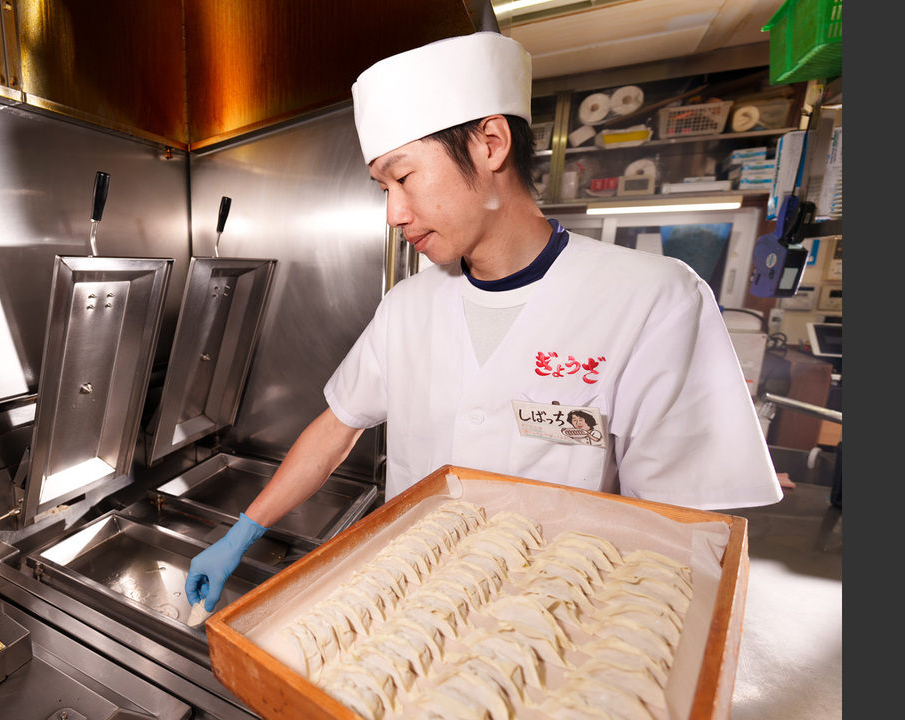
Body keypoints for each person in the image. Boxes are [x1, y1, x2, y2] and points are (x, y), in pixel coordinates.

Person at [184, 31, 783, 614]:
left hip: (552, 627)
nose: (393, 212)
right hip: (409, 604)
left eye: (404, 176)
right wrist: (244, 532)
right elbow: (338, 426)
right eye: (382, 187)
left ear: (490, 143)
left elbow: (683, 529)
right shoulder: (409, 305)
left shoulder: (653, 299)